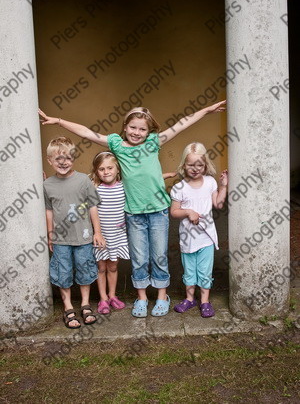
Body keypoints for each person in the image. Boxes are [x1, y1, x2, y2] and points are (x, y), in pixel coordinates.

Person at [39, 100, 225, 318]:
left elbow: (182, 124)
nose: (137, 132)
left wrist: (206, 110)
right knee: (139, 257)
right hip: (134, 213)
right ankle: (142, 297)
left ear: (149, 131)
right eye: (133, 127)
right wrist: (58, 121)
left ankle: (162, 296)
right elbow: (88, 133)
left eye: (142, 129)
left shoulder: (153, 143)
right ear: (125, 127)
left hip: (158, 211)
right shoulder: (117, 145)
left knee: (159, 256)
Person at [43, 136, 106, 328]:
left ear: (74, 158)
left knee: (85, 268)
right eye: (58, 159)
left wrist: (98, 232)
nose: (63, 163)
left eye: (67, 158)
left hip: (84, 237)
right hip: (61, 239)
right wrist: (50, 233)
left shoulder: (83, 181)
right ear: (49, 161)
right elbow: (49, 210)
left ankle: (86, 304)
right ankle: (68, 306)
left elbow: (93, 207)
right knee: (63, 273)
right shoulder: (47, 185)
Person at [170, 142, 228, 317]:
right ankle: (189, 299)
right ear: (184, 165)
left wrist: (224, 185)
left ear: (205, 165)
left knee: (204, 270)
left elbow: (218, 203)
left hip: (206, 236)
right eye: (190, 165)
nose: (195, 168)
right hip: (188, 238)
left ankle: (204, 301)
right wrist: (188, 211)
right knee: (189, 270)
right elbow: (174, 212)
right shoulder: (179, 187)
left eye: (199, 165)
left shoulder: (210, 182)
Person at [90, 151, 130, 314]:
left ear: (117, 169)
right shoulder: (95, 188)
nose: (106, 172)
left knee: (113, 266)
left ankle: (112, 295)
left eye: (109, 168)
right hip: (101, 235)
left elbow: (144, 180)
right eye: (101, 169)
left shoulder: (124, 186)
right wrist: (97, 232)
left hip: (118, 235)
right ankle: (103, 298)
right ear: (96, 171)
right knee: (101, 266)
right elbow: (93, 211)